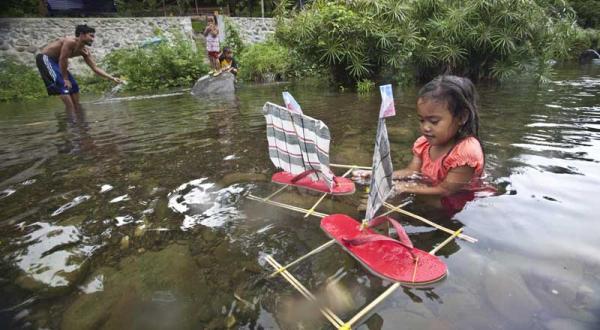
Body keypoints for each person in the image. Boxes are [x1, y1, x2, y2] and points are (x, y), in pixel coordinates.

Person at [354, 75, 487, 210]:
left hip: (452, 202)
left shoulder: (465, 152)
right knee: (390, 194)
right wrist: (381, 176)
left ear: (462, 117)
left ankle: (380, 219)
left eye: (434, 121)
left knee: (393, 199)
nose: (426, 127)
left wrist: (403, 188)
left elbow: (446, 190)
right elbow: (411, 172)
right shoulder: (424, 144)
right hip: (429, 190)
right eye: (422, 120)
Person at [35, 24, 122, 111]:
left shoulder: (84, 51)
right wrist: (65, 78)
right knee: (62, 84)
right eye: (91, 36)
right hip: (46, 59)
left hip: (57, 62)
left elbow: (95, 68)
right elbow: (63, 59)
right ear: (82, 34)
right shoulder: (70, 41)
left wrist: (112, 78)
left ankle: (77, 111)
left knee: (74, 86)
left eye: (93, 37)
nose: (93, 39)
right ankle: (71, 112)